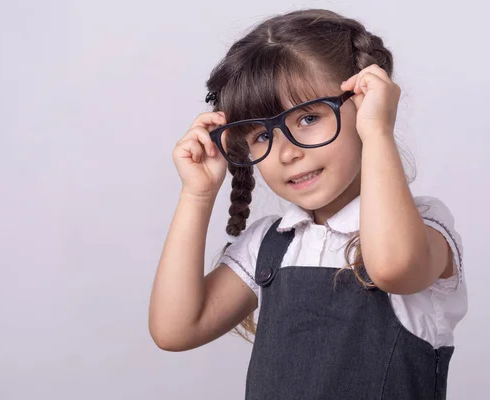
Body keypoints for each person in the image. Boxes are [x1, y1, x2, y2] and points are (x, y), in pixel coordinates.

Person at [148, 8, 467, 400]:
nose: (286, 154)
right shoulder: (270, 244)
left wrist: (377, 133)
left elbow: (393, 268)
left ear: (365, 104)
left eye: (308, 118)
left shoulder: (424, 226)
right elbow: (175, 329)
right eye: (261, 136)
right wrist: (197, 194)